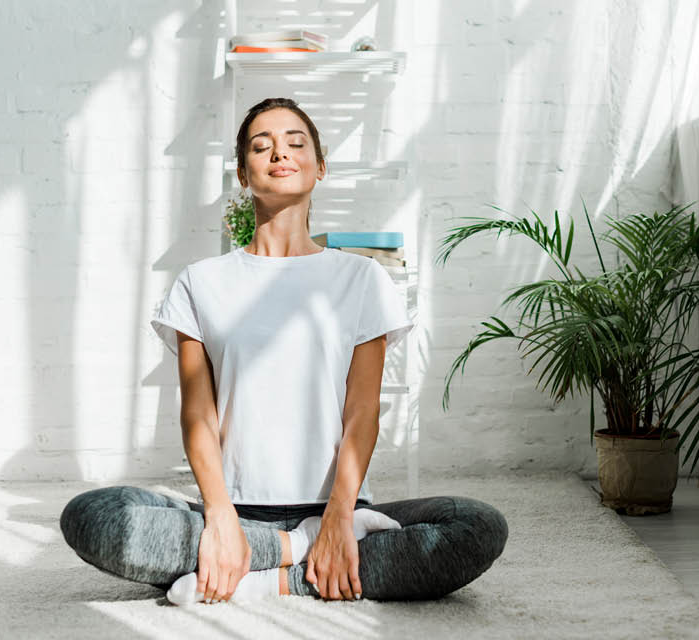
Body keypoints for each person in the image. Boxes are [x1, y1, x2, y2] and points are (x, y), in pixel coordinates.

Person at [59, 97, 509, 605]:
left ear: (320, 167)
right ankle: (298, 552)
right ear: (243, 173)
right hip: (235, 508)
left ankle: (263, 574)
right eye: (261, 145)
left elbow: (362, 413)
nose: (280, 152)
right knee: (93, 516)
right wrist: (221, 517)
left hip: (339, 506)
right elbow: (198, 417)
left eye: (296, 143)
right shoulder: (200, 283)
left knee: (476, 526)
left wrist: (339, 516)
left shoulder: (361, 278)